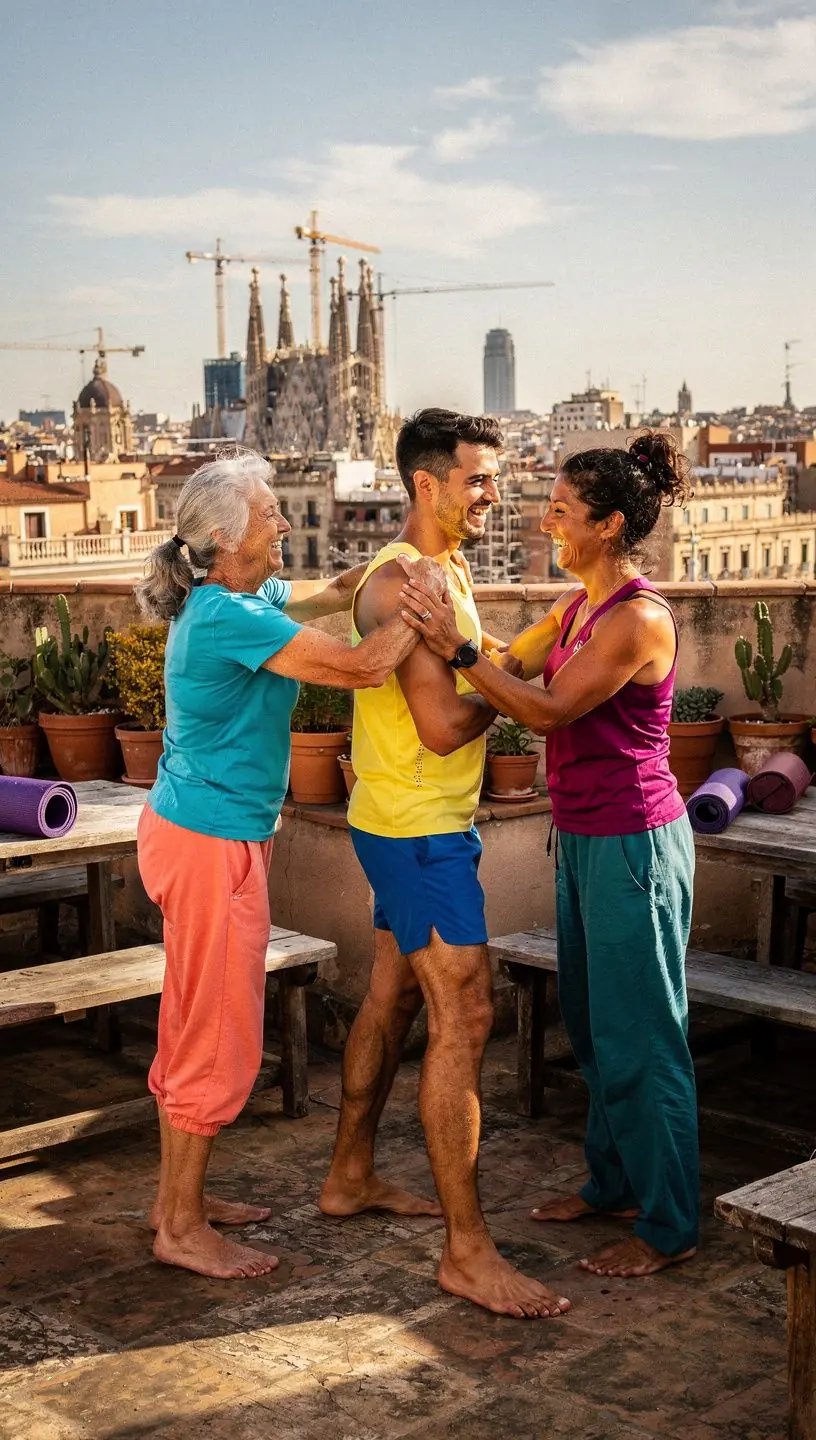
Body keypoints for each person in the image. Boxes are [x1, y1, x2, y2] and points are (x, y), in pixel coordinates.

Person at [135, 449, 444, 1281]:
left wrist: (393, 562)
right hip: (208, 845)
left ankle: (175, 1202)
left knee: (190, 1020)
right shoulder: (228, 618)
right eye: (270, 513)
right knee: (216, 1033)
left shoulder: (240, 596)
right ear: (227, 538)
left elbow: (333, 591)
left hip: (197, 831)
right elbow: (364, 666)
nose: (283, 522)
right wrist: (427, 606)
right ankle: (182, 1228)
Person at [399, 431, 699, 1280]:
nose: (546, 522)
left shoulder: (638, 619)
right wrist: (438, 628)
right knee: (599, 1029)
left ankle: (669, 1224)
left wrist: (457, 650)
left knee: (644, 1037)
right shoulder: (576, 609)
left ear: (608, 526)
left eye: (562, 511)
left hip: (635, 846)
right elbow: (511, 661)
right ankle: (614, 1185)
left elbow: (546, 708)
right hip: (585, 836)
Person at [320, 409, 571, 1320]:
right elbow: (440, 724)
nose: (494, 493)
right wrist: (512, 692)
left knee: (392, 995)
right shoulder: (403, 584)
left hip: (409, 821)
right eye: (479, 479)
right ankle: (467, 1252)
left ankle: (349, 1176)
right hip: (418, 829)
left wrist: (520, 648)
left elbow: (476, 661)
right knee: (465, 1011)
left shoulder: (446, 571)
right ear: (426, 484)